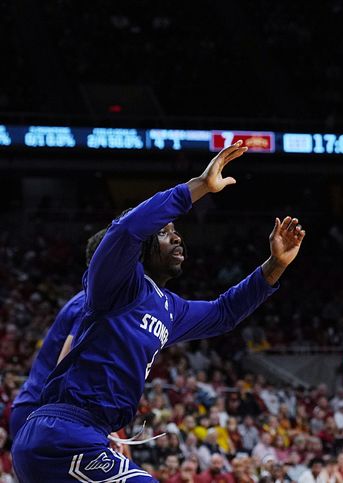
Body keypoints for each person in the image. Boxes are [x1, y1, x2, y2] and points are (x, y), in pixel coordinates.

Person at [12, 140, 306, 482]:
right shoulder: (116, 285)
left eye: (177, 233)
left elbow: (225, 313)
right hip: (61, 434)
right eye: (166, 233)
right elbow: (126, 229)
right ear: (140, 251)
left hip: (86, 434)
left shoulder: (170, 308)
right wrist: (198, 187)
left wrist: (275, 265)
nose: (177, 238)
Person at [8, 228, 106, 438]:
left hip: (33, 408)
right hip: (40, 411)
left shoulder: (87, 297)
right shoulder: (89, 303)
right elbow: (65, 363)